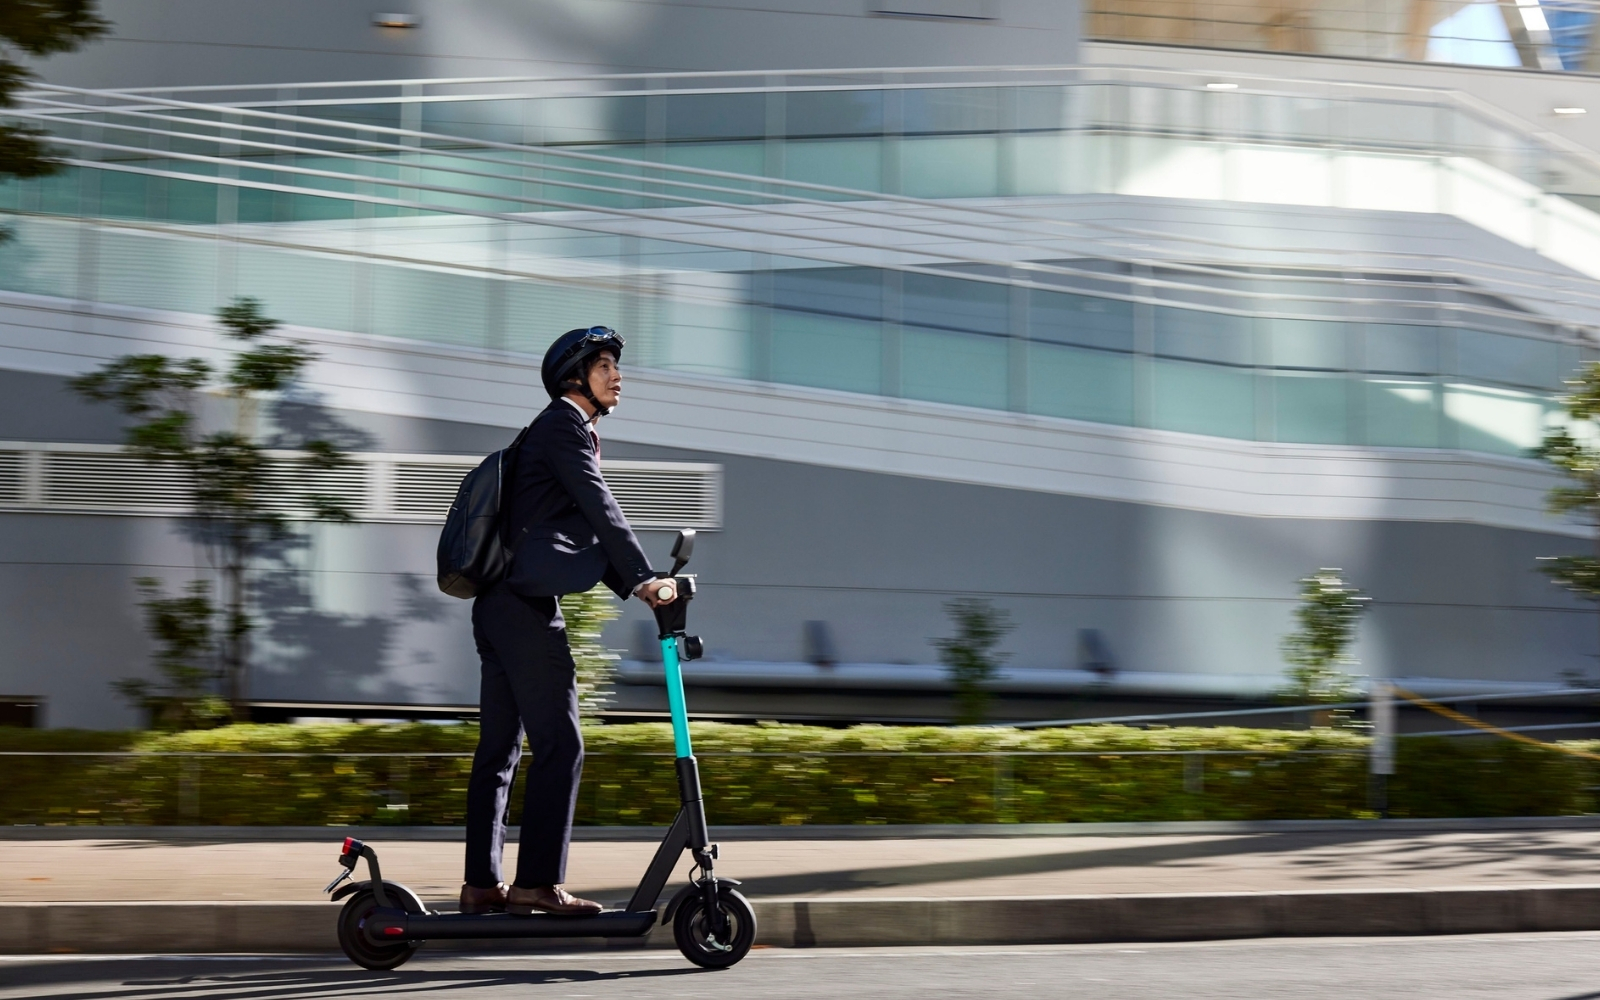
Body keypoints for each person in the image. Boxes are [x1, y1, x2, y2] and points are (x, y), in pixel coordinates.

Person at [461, 326, 673, 917]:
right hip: (524, 609)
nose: (617, 375)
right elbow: (600, 506)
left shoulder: (552, 431)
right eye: (605, 365)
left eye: (615, 366)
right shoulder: (562, 426)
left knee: (500, 750)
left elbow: (580, 530)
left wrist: (639, 588)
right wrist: (646, 578)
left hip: (500, 605)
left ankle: (482, 885)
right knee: (562, 742)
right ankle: (535, 885)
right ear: (574, 375)